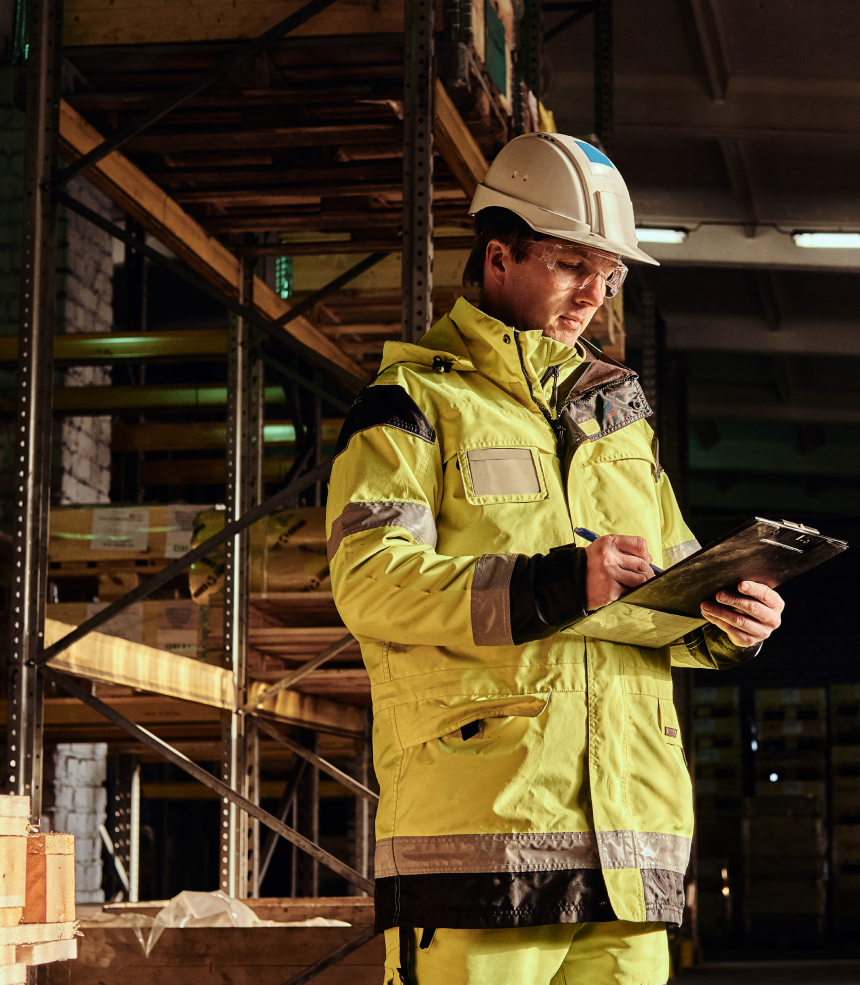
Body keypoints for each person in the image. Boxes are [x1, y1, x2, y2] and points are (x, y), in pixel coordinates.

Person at [324, 132, 785, 985]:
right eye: (573, 265)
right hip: (483, 840)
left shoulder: (620, 423)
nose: (593, 294)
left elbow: (674, 579)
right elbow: (372, 583)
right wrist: (557, 581)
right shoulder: (411, 405)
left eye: (608, 274)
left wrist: (729, 620)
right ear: (499, 256)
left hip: (630, 846)